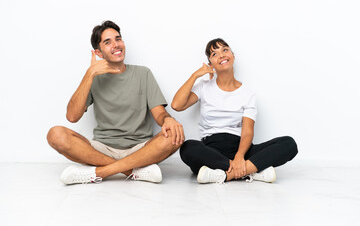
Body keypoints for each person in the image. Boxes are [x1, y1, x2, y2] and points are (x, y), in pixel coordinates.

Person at [47, 20, 184, 185]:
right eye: (108, 42)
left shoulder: (143, 73)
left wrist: (168, 119)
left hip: (140, 149)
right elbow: (72, 116)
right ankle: (132, 171)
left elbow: (159, 113)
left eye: (118, 39)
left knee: (175, 135)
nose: (116, 45)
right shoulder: (93, 79)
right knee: (55, 135)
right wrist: (89, 74)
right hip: (101, 148)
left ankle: (99, 172)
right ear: (98, 52)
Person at [171, 38, 298, 184]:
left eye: (225, 50)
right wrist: (195, 75)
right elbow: (176, 105)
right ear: (210, 63)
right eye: (214, 54)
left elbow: (247, 131)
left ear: (233, 55)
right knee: (187, 148)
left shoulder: (247, 94)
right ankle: (251, 171)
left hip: (241, 149)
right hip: (212, 150)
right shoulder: (203, 86)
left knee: (288, 144)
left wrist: (239, 156)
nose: (221, 55)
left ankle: (224, 175)